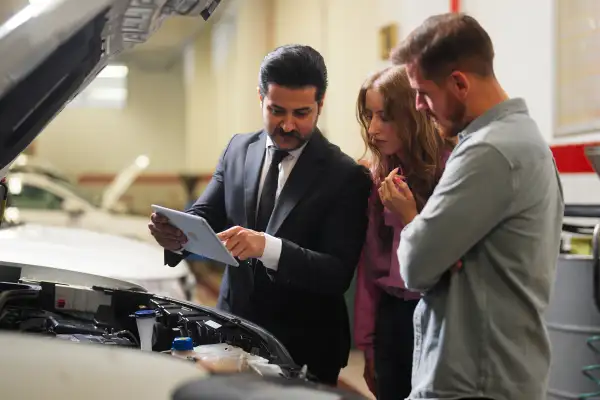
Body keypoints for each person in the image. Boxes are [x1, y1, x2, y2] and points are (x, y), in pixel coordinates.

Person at [148, 44, 372, 385]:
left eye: (302, 113)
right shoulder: (238, 149)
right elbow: (205, 216)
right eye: (277, 110)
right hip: (231, 333)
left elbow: (336, 273)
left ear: (321, 105)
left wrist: (266, 246)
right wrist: (176, 235)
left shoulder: (345, 175)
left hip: (304, 347)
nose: (287, 124)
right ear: (260, 97)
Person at [387, 13, 564, 400]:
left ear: (459, 83)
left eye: (423, 92)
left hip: (475, 382)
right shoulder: (519, 139)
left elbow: (416, 265)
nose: (418, 105)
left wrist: (420, 232)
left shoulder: (490, 151)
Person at [353, 65, 455, 400]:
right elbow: (369, 268)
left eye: (385, 116)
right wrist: (367, 344)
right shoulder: (376, 176)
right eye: (369, 115)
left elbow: (450, 260)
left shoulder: (452, 168)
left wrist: (410, 215)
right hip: (392, 317)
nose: (373, 129)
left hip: (439, 313)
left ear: (412, 115)